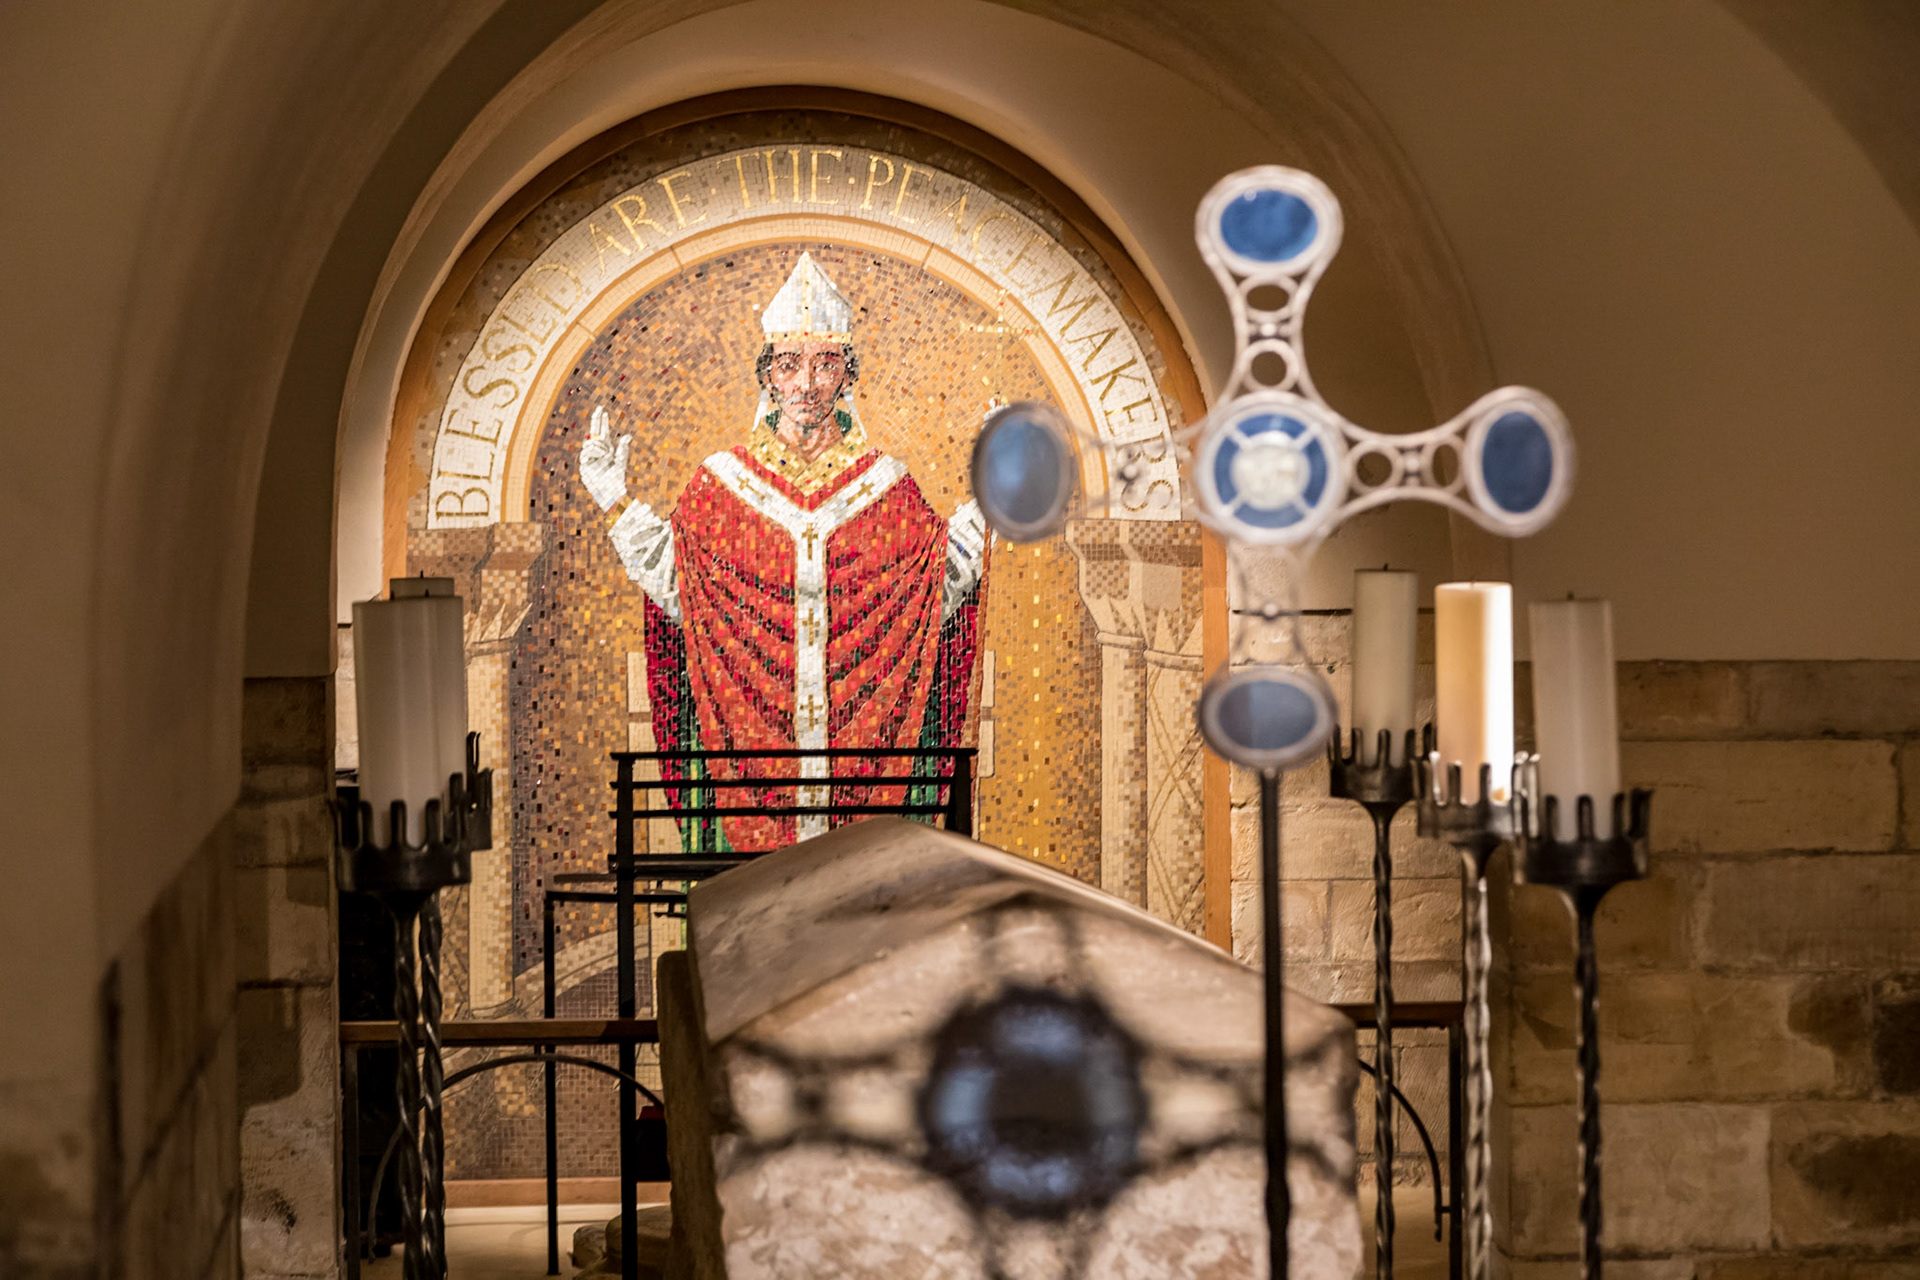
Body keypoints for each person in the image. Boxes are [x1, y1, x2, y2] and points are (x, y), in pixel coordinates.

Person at [579, 253, 989, 849]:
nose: (805, 384)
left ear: (847, 375)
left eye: (824, 365)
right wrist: (614, 499)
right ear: (767, 374)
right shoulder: (721, 484)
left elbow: (934, 590)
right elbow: (679, 589)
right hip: (749, 762)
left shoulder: (885, 485)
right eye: (789, 365)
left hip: (861, 774)